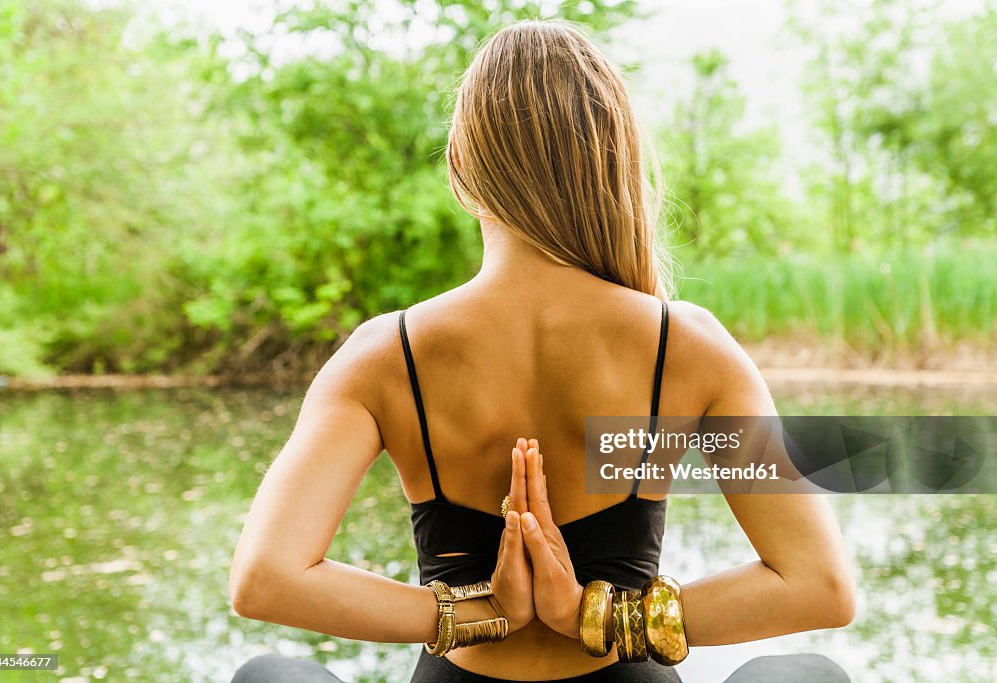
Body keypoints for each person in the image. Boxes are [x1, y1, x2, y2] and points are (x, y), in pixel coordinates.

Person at [228, 19, 856, 683]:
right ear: (613, 160)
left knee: (270, 674)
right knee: (805, 673)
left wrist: (473, 612)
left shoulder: (386, 353)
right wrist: (599, 615)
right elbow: (817, 584)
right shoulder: (687, 346)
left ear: (459, 164)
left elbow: (266, 577)